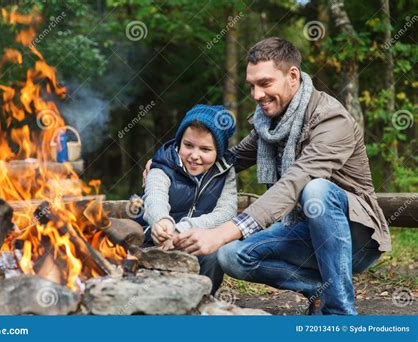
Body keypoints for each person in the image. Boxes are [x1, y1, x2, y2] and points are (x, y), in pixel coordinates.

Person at [145, 37, 391, 315]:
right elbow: (228, 160)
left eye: (264, 83)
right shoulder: (269, 125)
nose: (256, 94)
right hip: (302, 230)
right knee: (229, 255)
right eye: (251, 85)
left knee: (316, 190)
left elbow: (295, 182)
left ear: (293, 76)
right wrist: (167, 164)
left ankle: (340, 314)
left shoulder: (332, 121)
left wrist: (224, 231)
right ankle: (319, 291)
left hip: (356, 239)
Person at [141, 104, 237, 293]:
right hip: (155, 241)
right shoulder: (163, 165)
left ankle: (203, 298)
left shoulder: (225, 171)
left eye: (205, 149)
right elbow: (155, 196)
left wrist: (182, 229)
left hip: (195, 239)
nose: (194, 156)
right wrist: (161, 221)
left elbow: (226, 212)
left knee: (214, 254)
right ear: (179, 142)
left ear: (218, 151)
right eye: (188, 145)